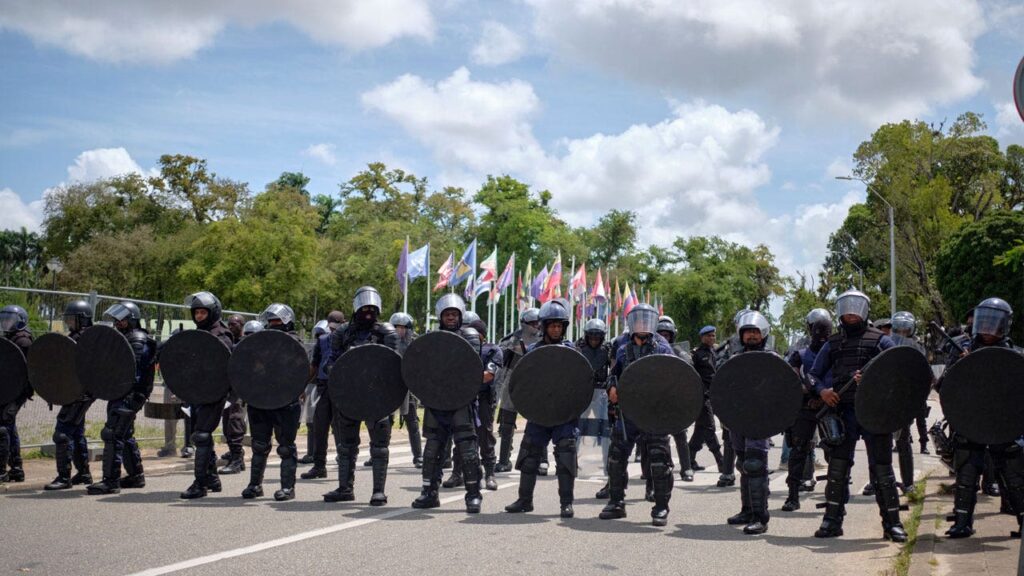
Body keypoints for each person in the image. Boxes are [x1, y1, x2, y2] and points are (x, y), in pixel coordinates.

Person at [808, 290, 907, 542]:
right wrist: (823, 391)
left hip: (874, 412)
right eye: (846, 307)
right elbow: (812, 375)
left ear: (864, 310)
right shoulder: (832, 343)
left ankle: (892, 523)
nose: (851, 312)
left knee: (882, 468)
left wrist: (874, 379)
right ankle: (832, 521)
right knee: (838, 469)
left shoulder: (880, 341)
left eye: (856, 307)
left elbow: (897, 371)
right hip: (844, 412)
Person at [941, 298, 1024, 539]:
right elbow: (944, 388)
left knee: (1014, 475)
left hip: (1003, 423)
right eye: (984, 321)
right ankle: (963, 522)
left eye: (993, 322)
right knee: (966, 472)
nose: (987, 328)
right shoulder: (963, 353)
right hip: (971, 421)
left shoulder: (1016, 355)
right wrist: (963, 368)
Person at [599, 304, 677, 527]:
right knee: (616, 456)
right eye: (638, 320)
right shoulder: (623, 350)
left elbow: (674, 378)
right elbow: (614, 374)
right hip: (629, 412)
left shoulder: (662, 348)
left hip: (654, 412)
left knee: (659, 460)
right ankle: (616, 502)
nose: (642, 323)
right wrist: (612, 387)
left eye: (646, 319)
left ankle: (661, 507)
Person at [321, 288, 399, 505]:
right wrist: (340, 370)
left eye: (372, 309)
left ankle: (378, 491)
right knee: (346, 445)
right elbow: (331, 361)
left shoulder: (386, 332)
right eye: (364, 308)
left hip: (377, 395)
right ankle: (345, 488)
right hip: (350, 394)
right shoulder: (343, 332)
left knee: (380, 445)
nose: (368, 312)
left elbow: (393, 363)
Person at [412, 293, 485, 513]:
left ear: (460, 316)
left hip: (461, 400)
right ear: (440, 316)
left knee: (468, 450)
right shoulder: (432, 338)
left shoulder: (469, 336)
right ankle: (429, 492)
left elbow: (470, 368)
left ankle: (473, 495)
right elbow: (423, 368)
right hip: (437, 400)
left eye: (454, 314)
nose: (451, 317)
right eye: (447, 314)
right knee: (433, 449)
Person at [505, 300, 578, 518]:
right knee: (529, 456)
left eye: (559, 326)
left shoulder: (571, 352)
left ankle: (566, 503)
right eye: (552, 325)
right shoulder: (533, 352)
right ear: (544, 327)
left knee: (565, 457)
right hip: (539, 412)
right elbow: (524, 383)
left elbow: (580, 382)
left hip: (564, 413)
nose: (556, 329)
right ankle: (524, 500)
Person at [86, 302, 157, 495]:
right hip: (122, 392)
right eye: (117, 320)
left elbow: (131, 371)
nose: (118, 323)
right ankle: (136, 476)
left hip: (130, 393)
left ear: (132, 319)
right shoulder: (125, 337)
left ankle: (110, 481)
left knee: (112, 433)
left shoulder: (137, 339)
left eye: (123, 320)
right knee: (124, 434)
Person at [241, 303, 303, 502]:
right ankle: (255, 485)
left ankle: (287, 487)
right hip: (260, 398)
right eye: (271, 321)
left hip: (286, 400)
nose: (274, 324)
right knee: (259, 445)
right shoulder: (260, 342)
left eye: (278, 321)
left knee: (285, 446)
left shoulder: (294, 343)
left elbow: (297, 370)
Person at [179, 292, 236, 499]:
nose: (199, 316)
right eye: (197, 313)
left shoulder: (221, 334)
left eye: (203, 312)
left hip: (214, 392)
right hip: (197, 392)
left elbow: (222, 363)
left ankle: (200, 483)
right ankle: (212, 478)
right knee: (201, 436)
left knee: (201, 435)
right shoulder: (197, 333)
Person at [723, 311, 775, 535]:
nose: (751, 336)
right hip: (739, 418)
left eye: (755, 332)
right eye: (748, 332)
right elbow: (724, 388)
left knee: (755, 465)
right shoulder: (734, 359)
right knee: (743, 463)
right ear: (741, 335)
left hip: (759, 419)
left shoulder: (772, 359)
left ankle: (760, 517)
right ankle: (746, 510)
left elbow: (781, 389)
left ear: (762, 334)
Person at [780, 308, 831, 512]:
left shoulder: (835, 350)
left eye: (824, 329)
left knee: (833, 450)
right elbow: (793, 381)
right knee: (799, 449)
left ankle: (834, 496)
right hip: (806, 406)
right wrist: (813, 393)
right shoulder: (800, 353)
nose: (820, 333)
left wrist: (824, 395)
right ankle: (793, 495)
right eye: (817, 329)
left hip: (830, 405)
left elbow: (840, 376)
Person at [443, 316, 502, 491]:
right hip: (463, 398)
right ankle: (457, 473)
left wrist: (464, 378)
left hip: (483, 399)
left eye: (475, 333)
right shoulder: (460, 349)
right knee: (462, 436)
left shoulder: (492, 350)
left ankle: (490, 474)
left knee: (485, 436)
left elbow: (488, 375)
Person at [44, 301, 96, 490]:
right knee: (76, 432)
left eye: (73, 320)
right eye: (69, 320)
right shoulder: (75, 337)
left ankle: (63, 477)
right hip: (75, 393)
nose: (70, 323)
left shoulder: (86, 339)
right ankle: (83, 474)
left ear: (83, 319)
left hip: (80, 394)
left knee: (62, 433)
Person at [494, 307, 541, 472]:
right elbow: (501, 364)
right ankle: (504, 460)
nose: (536, 326)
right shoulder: (511, 340)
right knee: (507, 424)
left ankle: (542, 461)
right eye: (532, 323)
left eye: (538, 322)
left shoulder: (544, 340)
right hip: (513, 381)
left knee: (539, 422)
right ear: (524, 324)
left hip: (536, 383)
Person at [300, 311, 346, 480]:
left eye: (337, 326)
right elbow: (314, 364)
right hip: (324, 387)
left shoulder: (347, 339)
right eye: (331, 327)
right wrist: (302, 386)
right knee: (320, 427)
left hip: (342, 388)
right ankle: (319, 466)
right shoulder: (323, 340)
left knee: (341, 429)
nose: (334, 330)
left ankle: (345, 464)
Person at [576, 319, 614, 499]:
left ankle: (608, 465)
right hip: (583, 389)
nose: (593, 339)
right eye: (591, 336)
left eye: (597, 336)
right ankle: (572, 463)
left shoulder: (607, 349)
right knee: (576, 429)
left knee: (606, 431)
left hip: (601, 391)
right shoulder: (578, 348)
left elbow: (613, 369)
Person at [656, 315, 694, 483]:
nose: (664, 337)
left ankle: (686, 468)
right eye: (661, 334)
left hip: (674, 398)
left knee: (680, 435)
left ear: (673, 336)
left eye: (667, 334)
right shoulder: (653, 351)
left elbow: (688, 375)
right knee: (656, 436)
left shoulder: (680, 352)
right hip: (657, 399)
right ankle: (661, 466)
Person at [0, 305, 33, 484]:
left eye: (9, 319)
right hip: (8, 390)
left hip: (17, 391)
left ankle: (2, 470)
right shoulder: (10, 338)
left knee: (3, 426)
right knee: (9, 427)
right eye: (4, 319)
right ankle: (17, 469)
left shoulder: (23, 341)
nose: (6, 323)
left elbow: (23, 372)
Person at [687, 325, 725, 475]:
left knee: (700, 430)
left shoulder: (715, 352)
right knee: (709, 427)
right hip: (702, 396)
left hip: (714, 394)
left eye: (713, 335)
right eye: (708, 336)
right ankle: (720, 460)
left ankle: (690, 457)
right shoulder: (696, 354)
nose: (712, 338)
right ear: (702, 337)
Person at [390, 312, 423, 468]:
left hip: (408, 386)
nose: (399, 331)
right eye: (396, 327)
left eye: (403, 328)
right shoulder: (386, 341)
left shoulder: (415, 344)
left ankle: (418, 456)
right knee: (384, 421)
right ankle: (376, 452)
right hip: (390, 384)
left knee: (412, 421)